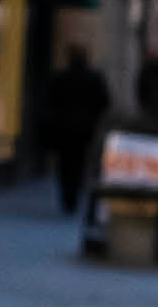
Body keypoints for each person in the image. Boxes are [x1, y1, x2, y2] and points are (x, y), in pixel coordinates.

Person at [41, 47, 114, 215]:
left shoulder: (61, 77)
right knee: (79, 163)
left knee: (65, 163)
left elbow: (50, 100)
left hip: (63, 129)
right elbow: (104, 102)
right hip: (84, 129)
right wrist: (93, 118)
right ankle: (73, 194)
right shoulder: (92, 78)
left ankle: (67, 196)